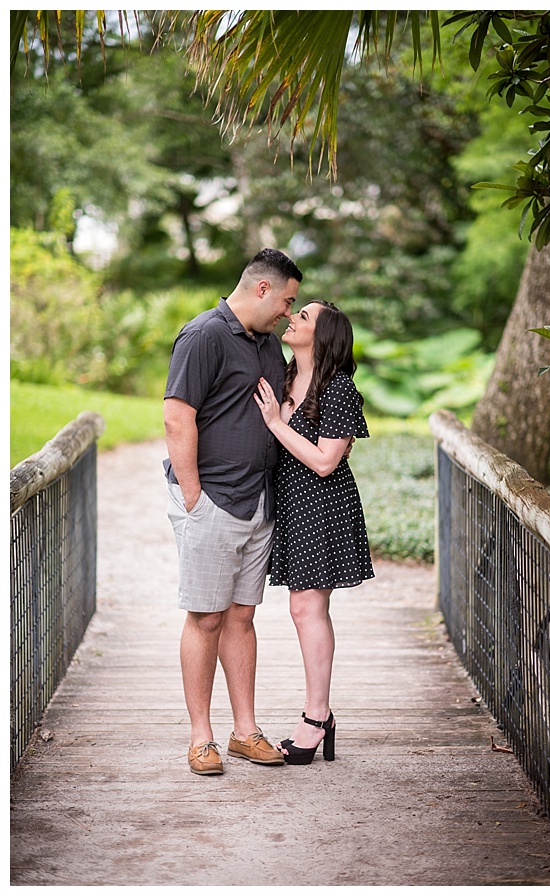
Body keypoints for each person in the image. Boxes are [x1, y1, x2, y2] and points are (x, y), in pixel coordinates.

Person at [164, 248, 303, 775]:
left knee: (241, 618)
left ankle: (244, 732)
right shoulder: (204, 335)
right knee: (205, 618)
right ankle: (201, 738)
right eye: (288, 301)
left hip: (257, 500)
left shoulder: (267, 344)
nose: (290, 312)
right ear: (262, 289)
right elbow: (178, 418)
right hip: (213, 500)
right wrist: (195, 497)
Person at [253, 300, 374, 765]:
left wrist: (275, 423)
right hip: (291, 502)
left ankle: (316, 717)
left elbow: (326, 461)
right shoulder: (284, 377)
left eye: (303, 316)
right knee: (303, 607)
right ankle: (319, 717)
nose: (293, 319)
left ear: (323, 336)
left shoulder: (338, 388)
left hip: (323, 505)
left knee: (307, 606)